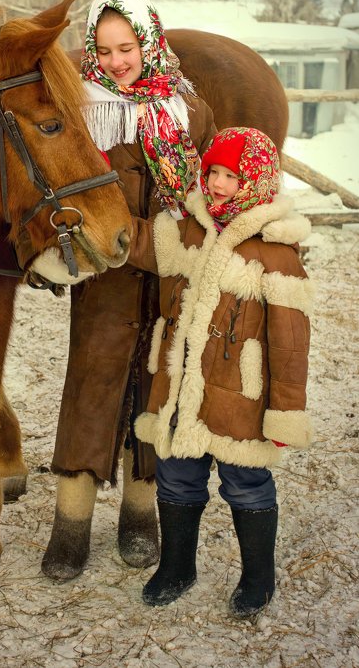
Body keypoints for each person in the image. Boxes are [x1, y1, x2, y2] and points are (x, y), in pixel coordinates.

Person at [25, 0, 220, 581]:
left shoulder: (190, 111)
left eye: (127, 47)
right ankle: (71, 527)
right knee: (90, 391)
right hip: (103, 284)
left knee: (152, 398)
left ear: (149, 42)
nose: (115, 62)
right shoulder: (81, 108)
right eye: (104, 50)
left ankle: (140, 518)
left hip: (169, 286)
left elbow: (205, 204)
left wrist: (160, 243)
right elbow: (50, 184)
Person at [128, 126, 314, 615]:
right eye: (213, 171)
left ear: (254, 180)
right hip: (182, 384)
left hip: (241, 394)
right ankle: (176, 567)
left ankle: (258, 577)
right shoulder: (190, 228)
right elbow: (140, 244)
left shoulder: (275, 251)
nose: (218, 183)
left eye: (232, 175)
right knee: (175, 476)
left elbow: (291, 346)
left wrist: (284, 413)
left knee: (245, 482)